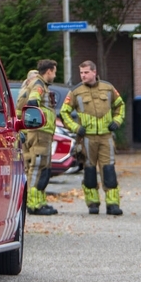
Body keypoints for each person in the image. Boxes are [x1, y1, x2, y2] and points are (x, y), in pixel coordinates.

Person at [60, 60, 126, 216]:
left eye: (86, 72)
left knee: (108, 170)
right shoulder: (75, 92)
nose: (83, 75)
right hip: (87, 138)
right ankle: (92, 204)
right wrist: (76, 128)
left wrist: (117, 122)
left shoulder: (108, 88)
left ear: (94, 72)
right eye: (81, 73)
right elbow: (64, 112)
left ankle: (112, 204)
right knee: (89, 171)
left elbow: (120, 106)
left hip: (106, 137)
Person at [24, 60, 59, 215]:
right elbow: (32, 101)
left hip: (44, 133)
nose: (55, 75)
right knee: (37, 168)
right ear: (49, 71)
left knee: (44, 168)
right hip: (40, 133)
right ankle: (33, 204)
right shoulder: (39, 85)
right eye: (54, 72)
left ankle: (39, 201)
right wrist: (36, 121)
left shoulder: (43, 85)